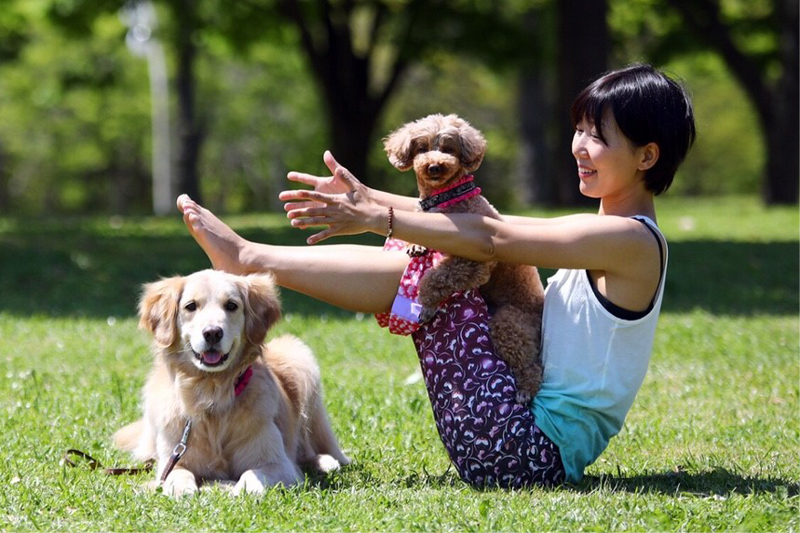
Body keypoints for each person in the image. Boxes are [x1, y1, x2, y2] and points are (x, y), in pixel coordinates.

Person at [177, 63, 696, 488]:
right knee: (440, 253)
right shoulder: (610, 229)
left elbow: (489, 240)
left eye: (598, 137)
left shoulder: (632, 242)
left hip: (522, 449)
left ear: (647, 155)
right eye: (579, 131)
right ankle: (250, 262)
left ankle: (251, 262)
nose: (580, 146)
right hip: (512, 434)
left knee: (440, 272)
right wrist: (369, 199)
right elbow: (486, 221)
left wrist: (377, 218)